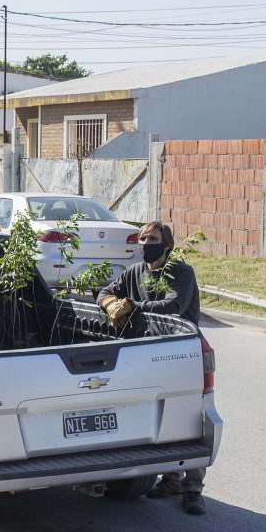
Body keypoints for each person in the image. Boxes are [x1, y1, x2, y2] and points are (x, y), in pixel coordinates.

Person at [97, 220, 206, 515]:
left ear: (167, 244)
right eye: (143, 238)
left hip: (181, 353)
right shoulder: (134, 272)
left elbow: (175, 306)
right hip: (148, 354)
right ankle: (170, 478)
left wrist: (132, 305)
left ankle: (193, 487)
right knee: (160, 418)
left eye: (153, 238)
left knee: (189, 419)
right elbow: (105, 291)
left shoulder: (180, 272)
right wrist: (109, 303)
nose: (146, 243)